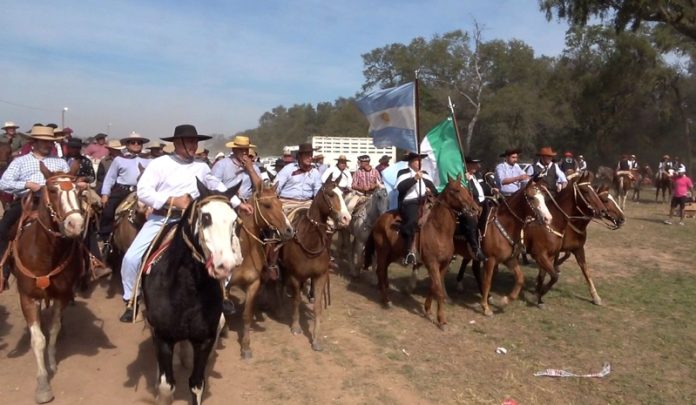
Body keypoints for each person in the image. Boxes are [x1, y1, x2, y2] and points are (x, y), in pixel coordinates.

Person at [119, 124, 252, 322]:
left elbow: (215, 185)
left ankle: (221, 294)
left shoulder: (202, 166)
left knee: (226, 251)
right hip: (163, 218)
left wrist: (236, 202)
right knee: (131, 258)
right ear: (177, 143)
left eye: (196, 141)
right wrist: (172, 200)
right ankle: (132, 299)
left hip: (193, 220)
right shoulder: (160, 164)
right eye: (190, 141)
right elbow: (144, 191)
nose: (194, 145)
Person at [0, 126, 72, 291]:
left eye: (50, 142)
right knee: (3, 228)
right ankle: (3, 270)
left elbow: (68, 182)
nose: (48, 144)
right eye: (44, 141)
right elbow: (3, 183)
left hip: (56, 203)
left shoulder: (60, 162)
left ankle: (86, 264)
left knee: (77, 227)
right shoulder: (20, 161)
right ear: (34, 142)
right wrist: (26, 184)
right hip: (29, 201)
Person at [98, 132, 151, 243]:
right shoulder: (119, 160)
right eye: (133, 142)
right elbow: (110, 178)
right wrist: (105, 194)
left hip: (144, 191)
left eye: (139, 142)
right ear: (127, 144)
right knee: (108, 211)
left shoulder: (150, 160)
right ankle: (105, 238)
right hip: (123, 190)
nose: (136, 144)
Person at [396, 152, 437, 265]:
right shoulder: (403, 173)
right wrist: (414, 178)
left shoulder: (426, 174)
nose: (420, 163)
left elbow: (435, 190)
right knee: (413, 220)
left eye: (421, 161)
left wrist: (430, 191)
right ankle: (409, 251)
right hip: (410, 202)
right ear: (410, 162)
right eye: (417, 160)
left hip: (426, 202)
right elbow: (400, 188)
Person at [212, 135, 262, 200]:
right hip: (226, 201)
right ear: (234, 150)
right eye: (241, 149)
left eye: (246, 150)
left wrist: (251, 169)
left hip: (247, 202)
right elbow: (213, 186)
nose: (244, 152)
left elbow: (261, 189)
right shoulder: (221, 165)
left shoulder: (254, 167)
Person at [461, 157, 488, 261]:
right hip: (471, 204)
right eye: (474, 164)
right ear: (467, 165)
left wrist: (491, 189)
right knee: (471, 220)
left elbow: (482, 188)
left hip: (482, 202)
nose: (477, 166)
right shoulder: (464, 177)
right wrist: (465, 181)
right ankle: (475, 248)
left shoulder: (476, 176)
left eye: (477, 164)